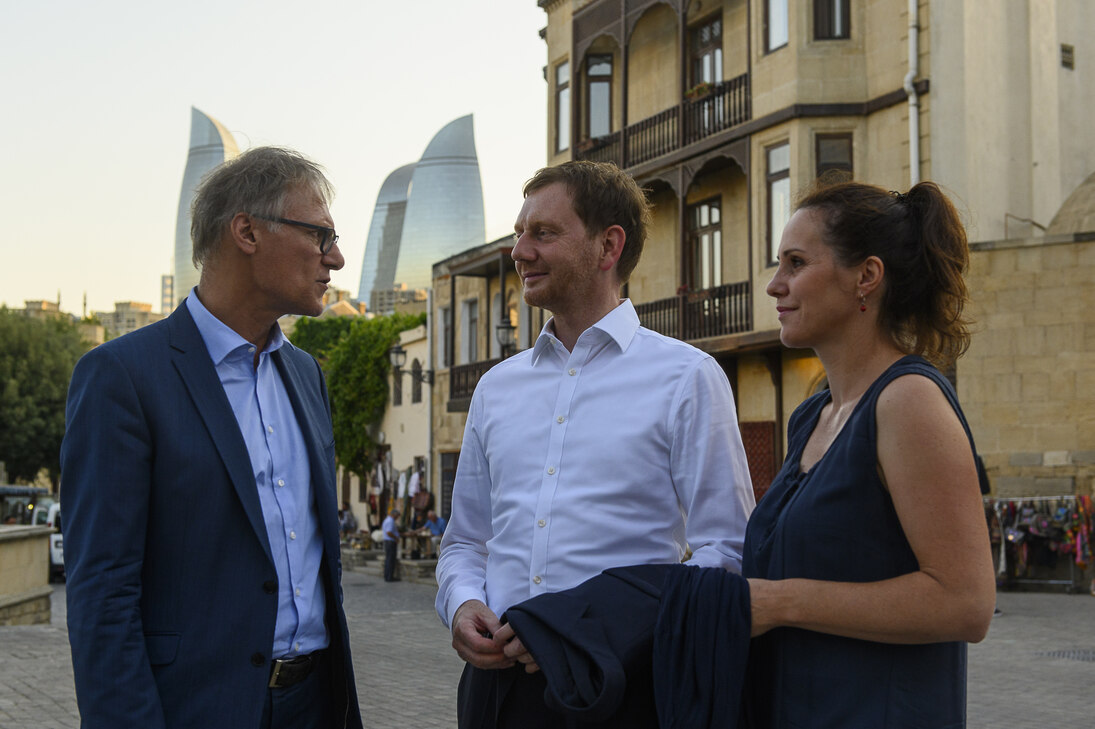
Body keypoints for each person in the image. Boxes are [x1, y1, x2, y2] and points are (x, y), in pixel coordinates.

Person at [435, 160, 755, 728]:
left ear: (608, 246)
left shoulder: (687, 377)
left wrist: (596, 627)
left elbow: (726, 552)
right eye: (518, 232)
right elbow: (465, 541)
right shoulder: (495, 388)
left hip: (618, 686)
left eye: (544, 233)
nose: (520, 251)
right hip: (494, 694)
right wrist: (460, 604)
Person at [60, 147, 363, 729]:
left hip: (317, 703)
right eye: (320, 235)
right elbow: (102, 594)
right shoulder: (123, 377)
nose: (338, 258)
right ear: (247, 231)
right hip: (197, 708)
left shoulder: (306, 375)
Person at [743, 179, 997, 727]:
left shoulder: (908, 401)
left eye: (795, 263)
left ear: (867, 276)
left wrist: (781, 602)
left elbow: (965, 602)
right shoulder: (813, 414)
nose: (774, 285)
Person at [381, 508, 402, 582]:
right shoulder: (390, 521)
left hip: (387, 541)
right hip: (390, 542)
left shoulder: (387, 520)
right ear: (394, 515)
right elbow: (389, 532)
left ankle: (387, 576)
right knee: (390, 560)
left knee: (388, 559)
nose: (397, 518)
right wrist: (396, 538)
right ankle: (389, 577)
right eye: (397, 516)